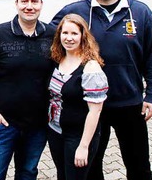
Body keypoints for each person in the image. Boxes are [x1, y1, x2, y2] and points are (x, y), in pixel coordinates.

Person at [51, 0, 152, 180]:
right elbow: (49, 43)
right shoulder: (74, 12)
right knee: (91, 169)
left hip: (129, 102)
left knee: (139, 166)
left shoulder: (140, 12)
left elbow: (151, 56)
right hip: (89, 107)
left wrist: (151, 95)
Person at [0, 0, 56, 180]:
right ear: (16, 4)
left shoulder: (52, 35)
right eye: (24, 1)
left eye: (34, 1)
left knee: (27, 174)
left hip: (38, 125)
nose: (29, 6)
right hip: (2, 124)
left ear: (41, 4)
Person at [48, 14, 108, 180]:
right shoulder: (58, 59)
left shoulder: (90, 68)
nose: (68, 38)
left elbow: (95, 112)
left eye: (74, 33)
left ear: (83, 36)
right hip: (56, 132)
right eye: (64, 33)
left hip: (78, 137)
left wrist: (84, 146)